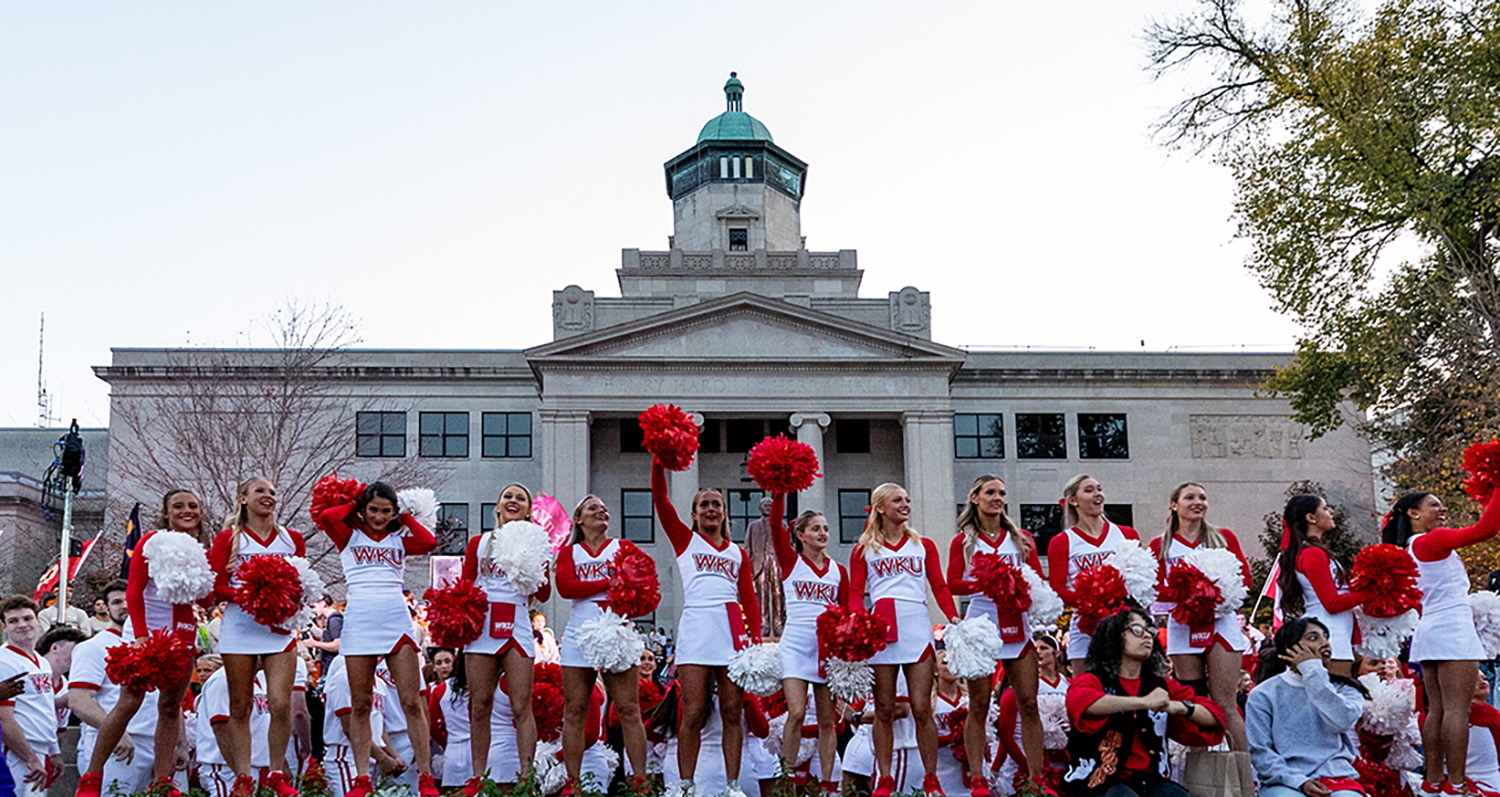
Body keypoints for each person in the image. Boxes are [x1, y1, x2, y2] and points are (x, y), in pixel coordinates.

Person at [78, 489, 209, 797]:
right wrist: (140, 635)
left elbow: (204, 598)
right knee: (128, 703)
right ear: (166, 513)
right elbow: (134, 591)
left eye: (192, 506)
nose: (186, 511)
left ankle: (162, 784)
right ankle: (92, 778)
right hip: (148, 631)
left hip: (183, 636)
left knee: (169, 707)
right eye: (178, 506)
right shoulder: (151, 541)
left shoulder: (199, 548)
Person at [313, 480, 440, 797]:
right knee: (361, 704)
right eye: (374, 509)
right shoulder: (348, 535)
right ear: (363, 509)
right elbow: (329, 517)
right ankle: (361, 778)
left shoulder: (398, 537)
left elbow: (428, 543)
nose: (380, 517)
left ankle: (425, 777)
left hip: (395, 619)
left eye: (387, 511)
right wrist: (355, 503)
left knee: (412, 701)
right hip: (360, 620)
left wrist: (406, 517)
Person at [651, 457, 762, 797]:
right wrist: (659, 457)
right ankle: (685, 785)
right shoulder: (685, 540)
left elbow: (750, 600)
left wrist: (754, 643)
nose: (711, 509)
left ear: (724, 513)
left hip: (730, 632)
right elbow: (660, 499)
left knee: (732, 710)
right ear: (694, 514)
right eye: (704, 505)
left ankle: (732, 786)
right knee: (694, 710)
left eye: (717, 504)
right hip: (698, 628)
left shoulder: (738, 554)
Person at [1383, 487, 1500, 794]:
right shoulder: (1432, 540)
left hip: (1429, 630)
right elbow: (1486, 529)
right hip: (1453, 629)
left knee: (1437, 710)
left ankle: (1434, 781)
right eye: (1434, 504)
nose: (1443, 508)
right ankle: (1458, 784)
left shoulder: (1409, 547)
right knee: (1458, 711)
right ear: (1413, 513)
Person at [846, 482, 959, 797]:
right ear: (881, 507)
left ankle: (931, 778)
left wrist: (952, 616)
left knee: (922, 707)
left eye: (907, 500)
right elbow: (856, 591)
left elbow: (939, 585)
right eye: (898, 500)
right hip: (881, 630)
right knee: (883, 708)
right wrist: (858, 618)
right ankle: (884, 778)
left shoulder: (923, 545)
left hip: (916, 627)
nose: (905, 504)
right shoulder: (864, 549)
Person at [207, 476, 307, 796]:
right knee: (240, 706)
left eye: (273, 492)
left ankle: (276, 773)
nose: (268, 496)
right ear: (242, 499)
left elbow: (302, 582)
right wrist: (250, 594)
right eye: (260, 491)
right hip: (240, 627)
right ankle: (244, 776)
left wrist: (287, 598)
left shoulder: (292, 539)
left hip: (278, 630)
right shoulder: (228, 538)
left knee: (280, 703)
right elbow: (215, 585)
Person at [948, 475, 1046, 796]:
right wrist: (987, 582)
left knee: (1029, 704)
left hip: (1017, 626)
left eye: (1002, 492)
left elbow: (1038, 580)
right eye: (990, 492)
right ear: (974, 497)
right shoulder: (963, 540)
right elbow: (952, 583)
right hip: (981, 626)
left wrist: (1020, 584)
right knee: (978, 705)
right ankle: (978, 778)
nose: (998, 498)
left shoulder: (1021, 538)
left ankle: (1036, 778)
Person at [1063, 606, 1224, 797]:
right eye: (1137, 630)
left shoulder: (1161, 686)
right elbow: (1084, 704)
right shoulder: (1092, 680)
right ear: (1114, 637)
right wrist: (1144, 703)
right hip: (1099, 783)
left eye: (1150, 631)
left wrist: (1179, 707)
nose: (1147, 636)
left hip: (1152, 781)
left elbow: (1214, 716)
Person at [555, 494, 652, 794]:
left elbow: (645, 584)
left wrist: (625, 595)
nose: (601, 511)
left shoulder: (623, 547)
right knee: (575, 709)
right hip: (579, 632)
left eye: (604, 508)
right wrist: (607, 584)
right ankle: (573, 784)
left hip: (616, 630)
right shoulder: (569, 552)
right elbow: (565, 587)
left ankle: (640, 782)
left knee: (628, 708)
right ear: (579, 519)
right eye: (593, 508)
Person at [1148, 482, 1254, 751]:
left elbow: (1245, 580)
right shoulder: (1160, 545)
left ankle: (1244, 776)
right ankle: (1201, 776)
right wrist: (1190, 591)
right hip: (1183, 626)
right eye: (1190, 497)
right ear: (1174, 505)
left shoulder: (1224, 537)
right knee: (1193, 703)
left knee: (1225, 702)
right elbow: (1154, 589)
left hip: (1221, 625)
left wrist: (1214, 592)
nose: (1198, 502)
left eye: (1203, 498)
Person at [462, 483, 551, 786]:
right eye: (508, 497)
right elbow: (465, 585)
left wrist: (534, 565)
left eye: (521, 498)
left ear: (527, 512)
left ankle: (527, 780)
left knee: (520, 706)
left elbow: (546, 593)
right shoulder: (478, 542)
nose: (513, 501)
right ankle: (477, 779)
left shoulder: (538, 542)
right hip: (482, 627)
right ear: (498, 506)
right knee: (480, 705)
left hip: (516, 624)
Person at [767, 492, 846, 795]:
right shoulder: (791, 562)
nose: (823, 533)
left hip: (826, 649)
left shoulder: (839, 571)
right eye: (815, 528)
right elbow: (775, 525)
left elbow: (845, 614)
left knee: (828, 721)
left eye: (825, 528)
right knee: (796, 712)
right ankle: (786, 778)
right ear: (799, 535)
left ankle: (827, 784)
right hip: (796, 644)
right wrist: (779, 490)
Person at [1245, 616, 1369, 797]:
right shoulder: (1263, 694)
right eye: (1313, 638)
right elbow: (1261, 751)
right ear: (1290, 649)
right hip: (1284, 781)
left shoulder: (1346, 689)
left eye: (1326, 637)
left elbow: (1342, 720)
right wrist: (1299, 781)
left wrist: (1312, 671)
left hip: (1336, 778)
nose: (1325, 644)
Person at [1048, 475, 1142, 670]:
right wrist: (1091, 605)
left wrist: (1118, 605)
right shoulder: (1062, 541)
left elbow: (1142, 579)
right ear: (1073, 501)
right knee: (1085, 689)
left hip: (1123, 621)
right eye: (1089, 490)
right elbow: (1057, 587)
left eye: (1099, 489)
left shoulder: (1127, 534)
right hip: (1085, 624)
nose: (1098, 494)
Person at [1279, 495, 1370, 680]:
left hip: (1333, 631)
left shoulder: (1314, 551)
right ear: (1311, 518)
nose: (1331, 512)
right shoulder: (1313, 553)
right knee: (1337, 700)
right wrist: (1375, 592)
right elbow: (1332, 603)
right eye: (1325, 508)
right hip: (1330, 634)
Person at [994, 632, 1070, 795]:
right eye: (1035, 649)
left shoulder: (1068, 685)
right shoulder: (1022, 688)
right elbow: (1006, 736)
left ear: (1056, 653)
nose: (1039, 652)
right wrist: (1030, 767)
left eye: (1044, 648)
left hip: (1062, 764)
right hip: (1026, 763)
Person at [0, 596, 61, 797]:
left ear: (38, 620)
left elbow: (45, 708)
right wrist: (30, 758)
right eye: (13, 621)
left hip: (40, 747)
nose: (22, 625)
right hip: (17, 751)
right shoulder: (4, 661)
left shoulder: (42, 662)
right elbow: (5, 718)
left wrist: (54, 751)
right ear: (4, 627)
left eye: (27, 618)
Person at [322, 656, 404, 797]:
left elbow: (379, 725)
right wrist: (383, 758)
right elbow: (349, 728)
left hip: (372, 755)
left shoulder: (379, 682)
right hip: (347, 755)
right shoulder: (343, 677)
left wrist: (394, 756)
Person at [744, 496, 785, 638]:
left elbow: (788, 546)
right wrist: (747, 568)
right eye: (765, 505)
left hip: (777, 561)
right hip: (759, 562)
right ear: (760, 508)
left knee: (778, 594)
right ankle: (763, 626)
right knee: (762, 595)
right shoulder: (753, 526)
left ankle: (779, 626)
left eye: (770, 505)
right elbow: (747, 547)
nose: (767, 507)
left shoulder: (782, 525)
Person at [930, 652, 968, 796]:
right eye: (945, 662)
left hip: (969, 771)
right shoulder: (929, 702)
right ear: (935, 669)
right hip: (942, 771)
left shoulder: (969, 698)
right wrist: (955, 738)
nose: (951, 666)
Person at [1466, 677, 1500, 794]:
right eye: (1475, 679)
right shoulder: (1486, 712)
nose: (1483, 682)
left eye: (1484, 678)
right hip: (1487, 779)